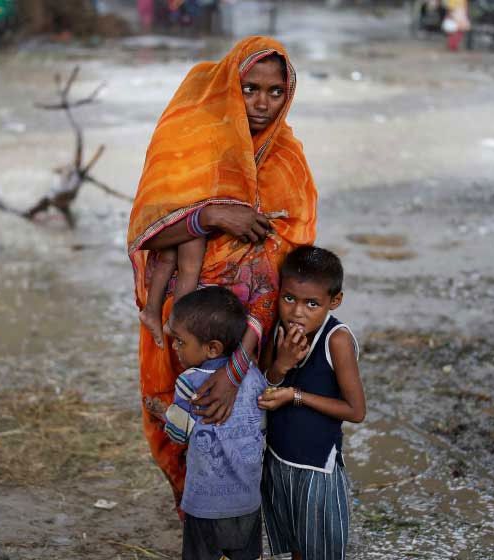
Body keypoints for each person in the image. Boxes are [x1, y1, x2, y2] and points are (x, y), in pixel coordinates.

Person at [127, 36, 318, 511]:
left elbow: (281, 271)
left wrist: (236, 369)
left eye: (275, 92)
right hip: (183, 326)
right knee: (181, 423)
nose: (261, 103)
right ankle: (194, 517)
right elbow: (147, 227)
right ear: (230, 85)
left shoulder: (287, 158)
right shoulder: (194, 138)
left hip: (251, 330)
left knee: (241, 432)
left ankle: (236, 522)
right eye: (250, 87)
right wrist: (210, 216)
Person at [257, 246, 366, 560]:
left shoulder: (337, 340)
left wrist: (296, 396)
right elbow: (265, 384)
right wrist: (283, 364)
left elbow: (356, 411)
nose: (297, 312)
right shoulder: (279, 328)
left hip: (317, 468)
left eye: (312, 304)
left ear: (334, 301)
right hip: (278, 460)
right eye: (289, 298)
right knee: (297, 547)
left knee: (319, 549)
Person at [163, 287, 266, 560]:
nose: (175, 347)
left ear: (212, 348)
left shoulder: (189, 382)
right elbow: (262, 425)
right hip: (247, 501)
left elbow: (177, 434)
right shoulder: (255, 377)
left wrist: (165, 413)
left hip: (204, 504)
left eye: (180, 342)